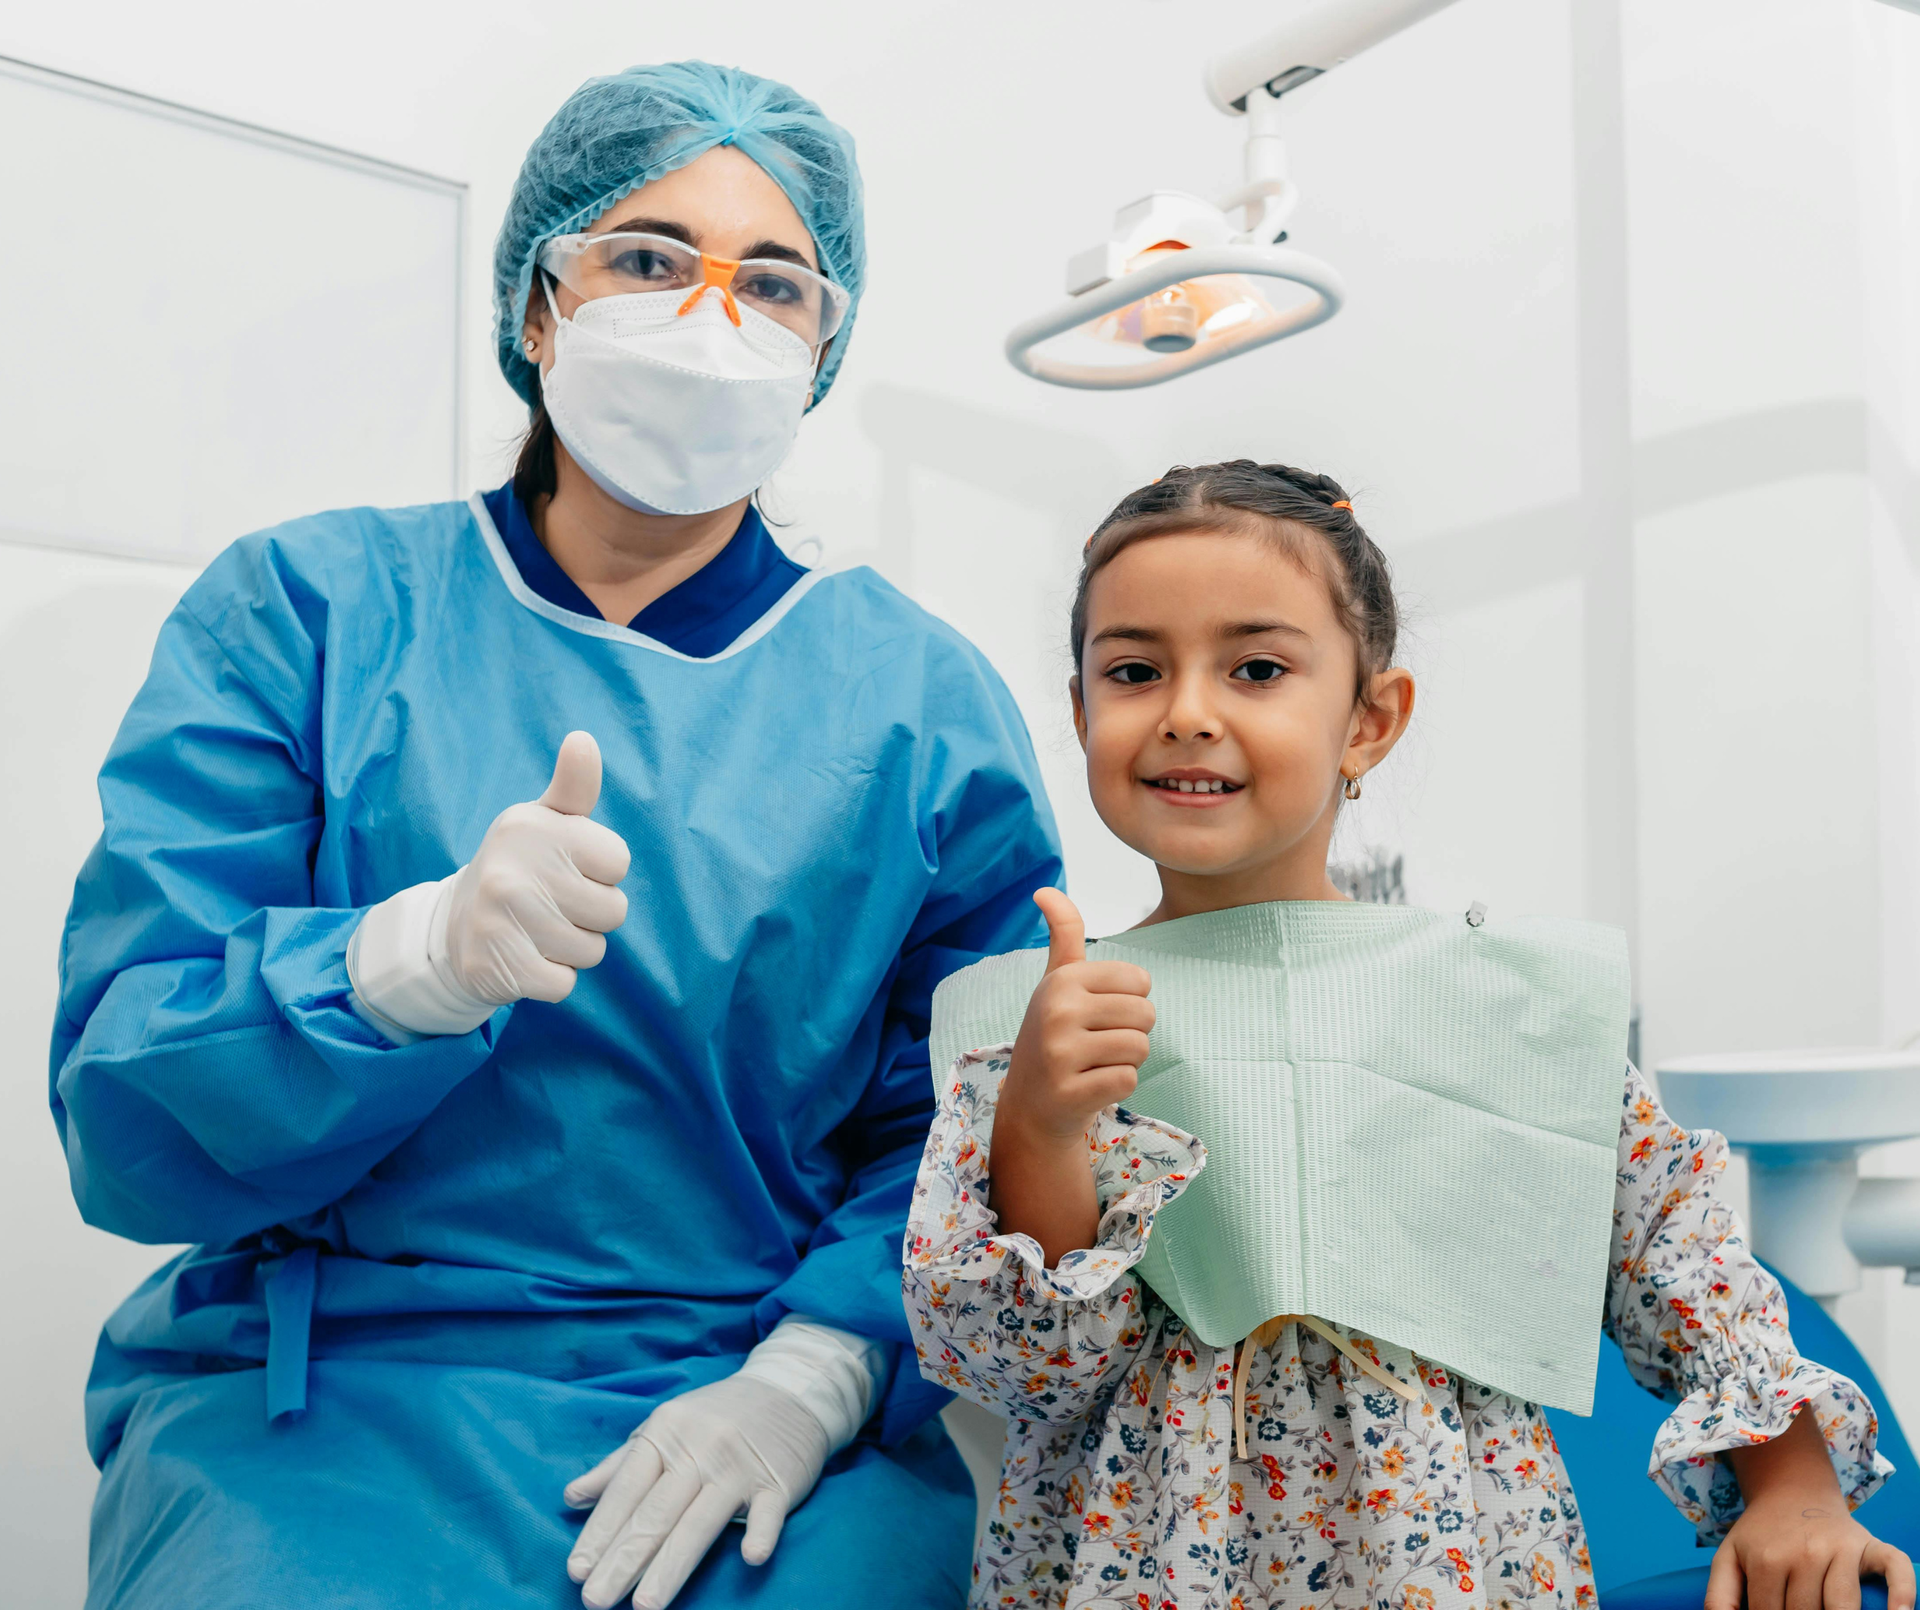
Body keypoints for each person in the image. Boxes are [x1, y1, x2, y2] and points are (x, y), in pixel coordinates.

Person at [52, 61, 1060, 1610]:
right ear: (538, 305)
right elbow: (125, 1109)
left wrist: (811, 1379)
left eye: (772, 283)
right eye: (649, 260)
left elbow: (965, 1120)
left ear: (824, 344)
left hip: (750, 1384)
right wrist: (406, 962)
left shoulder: (921, 705)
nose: (708, 317)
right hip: (327, 1393)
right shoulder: (306, 615)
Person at [901, 460, 1917, 1610]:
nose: (1187, 708)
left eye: (1258, 667)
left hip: (1446, 1561)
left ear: (1369, 720)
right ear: (1082, 711)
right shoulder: (1032, 1025)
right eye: (1134, 670)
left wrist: (1793, 1490)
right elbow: (1028, 1368)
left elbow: (1673, 1256)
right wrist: (1042, 1121)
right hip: (1137, 1565)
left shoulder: (1497, 1003)